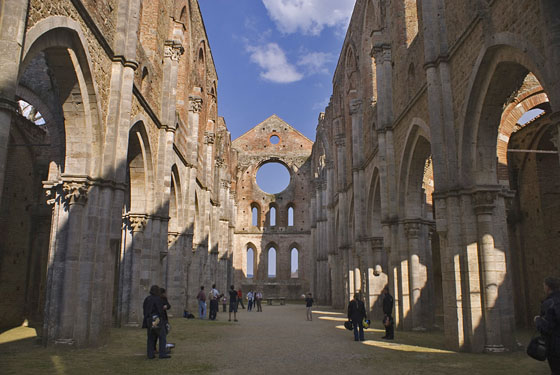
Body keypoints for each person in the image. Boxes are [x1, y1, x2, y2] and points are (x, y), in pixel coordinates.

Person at [535, 277, 560, 375]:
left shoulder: (549, 303)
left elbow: (546, 327)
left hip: (555, 345)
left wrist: (537, 320)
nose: (543, 288)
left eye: (544, 286)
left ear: (548, 287)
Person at [142, 285, 171, 359]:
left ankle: (150, 354)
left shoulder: (147, 299)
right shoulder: (158, 299)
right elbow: (160, 310)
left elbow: (144, 309)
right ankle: (162, 354)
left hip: (149, 319)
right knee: (162, 336)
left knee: (150, 337)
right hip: (156, 319)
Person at [154, 288, 171, 354]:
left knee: (164, 333)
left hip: (163, 318)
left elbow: (169, 306)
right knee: (155, 333)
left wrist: (166, 306)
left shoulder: (164, 298)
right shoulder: (156, 299)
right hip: (157, 318)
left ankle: (163, 348)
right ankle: (154, 348)